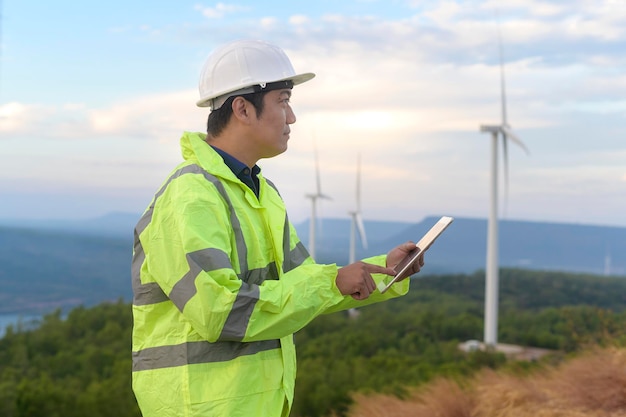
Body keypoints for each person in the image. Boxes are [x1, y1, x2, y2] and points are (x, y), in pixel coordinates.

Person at [131, 39, 425, 417]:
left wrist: (386, 269)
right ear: (242, 108)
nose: (292, 117)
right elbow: (218, 311)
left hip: (256, 403)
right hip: (199, 407)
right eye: (284, 100)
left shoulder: (261, 193)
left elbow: (305, 285)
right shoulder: (191, 196)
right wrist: (328, 283)